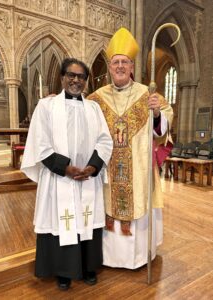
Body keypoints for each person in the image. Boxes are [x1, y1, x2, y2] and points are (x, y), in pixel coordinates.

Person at [21, 58, 113, 290]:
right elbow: (39, 142)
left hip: (87, 178)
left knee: (86, 219)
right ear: (62, 77)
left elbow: (104, 141)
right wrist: (65, 168)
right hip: (58, 177)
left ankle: (87, 267)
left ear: (86, 81)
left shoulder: (93, 108)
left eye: (81, 76)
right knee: (61, 221)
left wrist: (92, 166)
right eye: (71, 75)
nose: (76, 80)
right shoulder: (46, 106)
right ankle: (62, 270)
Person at [88, 28, 173, 269]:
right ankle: (109, 257)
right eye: (116, 62)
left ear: (132, 67)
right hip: (108, 171)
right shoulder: (96, 99)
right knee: (108, 205)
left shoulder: (149, 95)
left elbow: (163, 128)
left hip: (139, 169)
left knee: (138, 203)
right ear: (110, 67)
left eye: (125, 62)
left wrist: (157, 113)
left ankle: (137, 257)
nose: (120, 66)